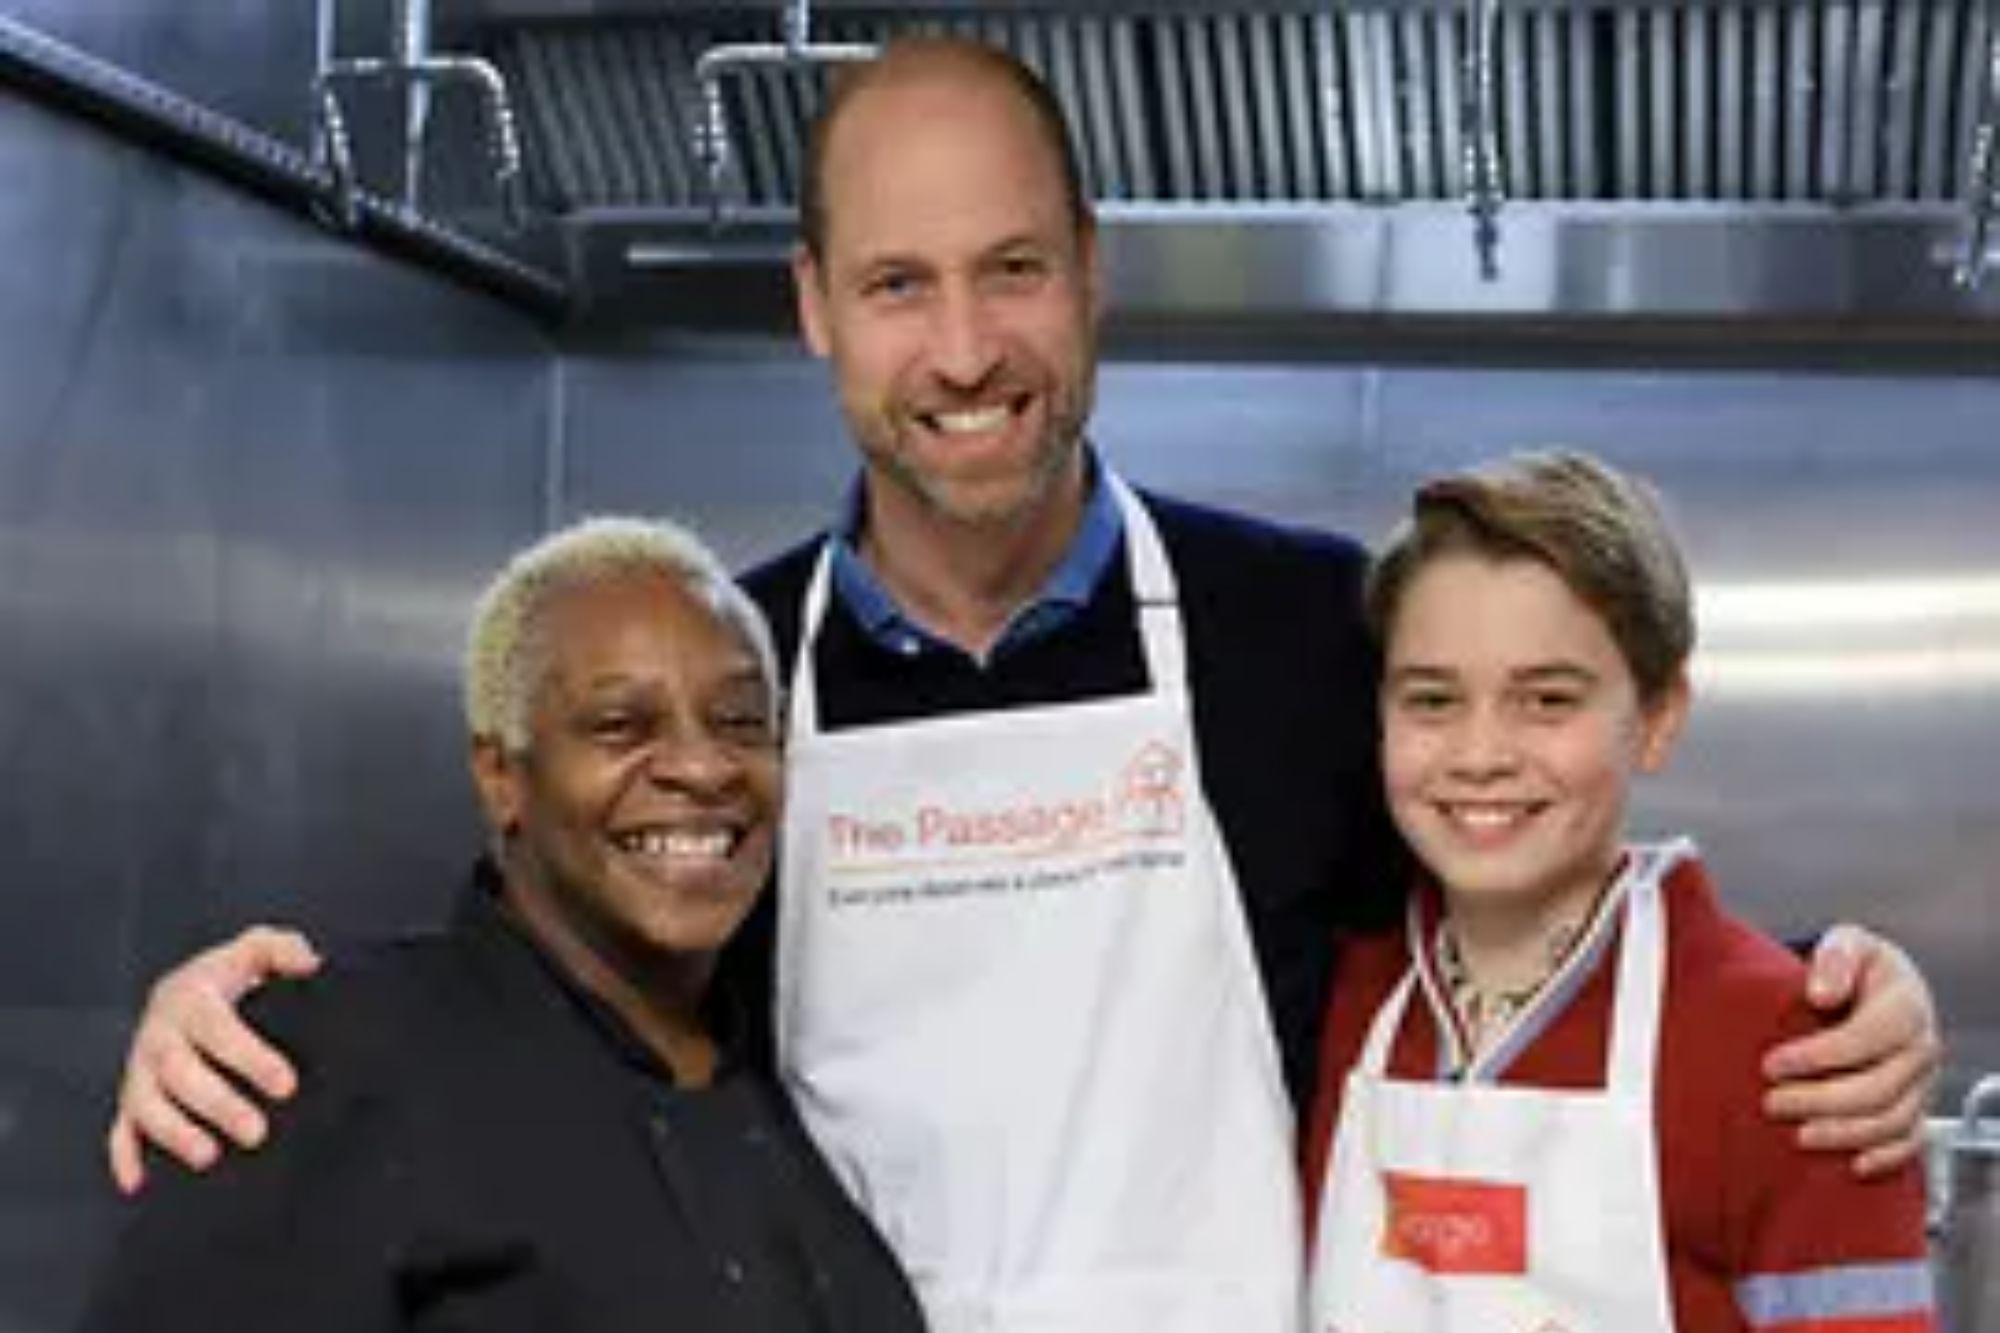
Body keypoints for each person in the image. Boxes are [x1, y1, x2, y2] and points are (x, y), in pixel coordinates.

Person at [104, 36, 1940, 1333]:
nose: (965, 349)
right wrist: (267, 1029)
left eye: (1013, 273)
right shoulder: (729, 700)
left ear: (1093, 283)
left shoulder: (1302, 630)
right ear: (815, 307)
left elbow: (1525, 845)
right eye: (900, 284)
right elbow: (534, 990)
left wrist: (1836, 984)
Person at [80, 517, 929, 1333]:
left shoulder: (786, 1079)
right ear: (501, 775)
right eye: (619, 725)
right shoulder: (315, 1066)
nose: (703, 766)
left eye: (742, 721)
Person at [1303, 452, 1936, 1333]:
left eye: (1548, 699)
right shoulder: (1338, 1001)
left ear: (1658, 716)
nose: (1480, 754)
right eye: (1434, 699)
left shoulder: (1801, 1058)